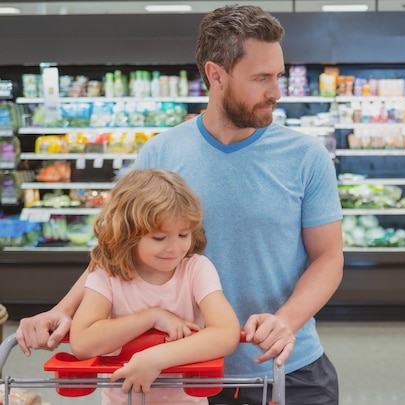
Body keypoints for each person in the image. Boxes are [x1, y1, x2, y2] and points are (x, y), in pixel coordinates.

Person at [16, 4, 344, 405]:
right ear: (215, 74)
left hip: (284, 366)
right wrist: (65, 309)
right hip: (182, 376)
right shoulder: (161, 152)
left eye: (277, 76)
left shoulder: (306, 156)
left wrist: (285, 322)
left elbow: (328, 258)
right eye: (261, 78)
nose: (275, 91)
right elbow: (115, 252)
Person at [69, 168, 240, 404]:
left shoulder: (196, 269)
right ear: (127, 233)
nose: (174, 248)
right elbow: (82, 343)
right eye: (159, 238)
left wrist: (156, 359)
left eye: (183, 235)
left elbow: (226, 333)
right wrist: (151, 317)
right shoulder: (107, 274)